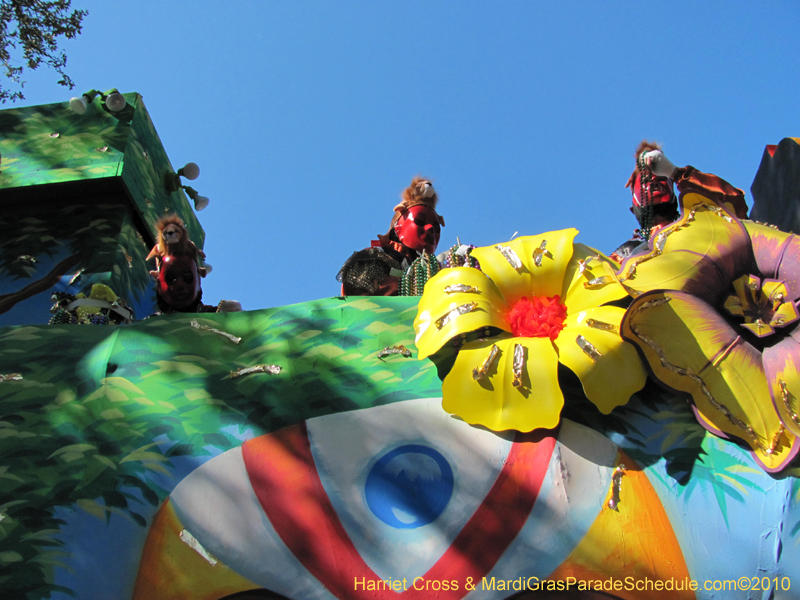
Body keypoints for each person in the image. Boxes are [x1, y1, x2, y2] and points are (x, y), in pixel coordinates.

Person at [611, 141, 749, 262]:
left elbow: (735, 208)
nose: (654, 181)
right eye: (645, 180)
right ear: (632, 207)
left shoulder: (699, 224)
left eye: (662, 179)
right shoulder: (624, 254)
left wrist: (675, 173)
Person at [338, 176, 445, 296]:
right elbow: (361, 290)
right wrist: (412, 285)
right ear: (399, 227)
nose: (430, 228)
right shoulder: (375, 258)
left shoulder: (434, 270)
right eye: (420, 221)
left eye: (436, 228)